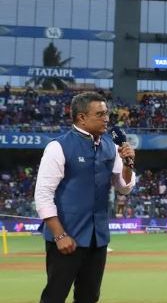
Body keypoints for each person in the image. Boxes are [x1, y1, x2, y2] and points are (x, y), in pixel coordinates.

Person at [34, 91, 137, 303]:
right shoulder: (58, 147)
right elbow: (43, 195)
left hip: (97, 239)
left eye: (107, 113)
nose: (107, 119)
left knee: (89, 297)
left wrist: (128, 165)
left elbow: (124, 188)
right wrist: (60, 235)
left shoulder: (112, 146)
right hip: (66, 238)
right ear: (81, 117)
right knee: (54, 297)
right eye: (100, 114)